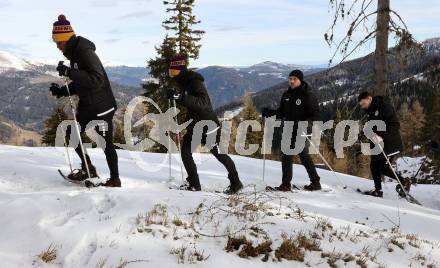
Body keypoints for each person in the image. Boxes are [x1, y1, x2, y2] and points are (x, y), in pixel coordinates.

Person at [49, 15, 120, 187]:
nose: (57, 46)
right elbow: (83, 82)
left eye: (58, 42)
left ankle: (114, 179)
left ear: (65, 39)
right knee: (72, 133)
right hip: (90, 105)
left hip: (101, 107)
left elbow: (96, 80)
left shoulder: (85, 53)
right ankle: (88, 169)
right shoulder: (75, 54)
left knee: (105, 143)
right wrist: (62, 91)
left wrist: (69, 72)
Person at [167, 55, 243, 194]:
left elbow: (203, 103)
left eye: (174, 71)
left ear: (181, 70)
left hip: (208, 126)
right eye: (170, 71)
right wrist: (177, 97)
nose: (172, 74)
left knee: (220, 155)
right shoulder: (184, 82)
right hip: (196, 125)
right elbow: (190, 103)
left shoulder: (194, 82)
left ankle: (236, 183)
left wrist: (181, 97)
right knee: (185, 152)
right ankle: (194, 184)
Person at [262, 70, 322, 192]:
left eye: (294, 79)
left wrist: (305, 125)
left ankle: (315, 182)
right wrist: (269, 112)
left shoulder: (307, 94)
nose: (292, 81)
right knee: (286, 155)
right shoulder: (286, 95)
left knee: (302, 154)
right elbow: (281, 112)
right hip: (289, 128)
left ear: (300, 80)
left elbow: (316, 114)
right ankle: (286, 184)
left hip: (302, 128)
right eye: (290, 79)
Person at [358, 91, 411, 197]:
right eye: (361, 105)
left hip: (390, 143)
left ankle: (404, 181)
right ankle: (378, 190)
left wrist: (382, 136)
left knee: (382, 167)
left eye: (363, 103)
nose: (363, 106)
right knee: (374, 166)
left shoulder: (385, 107)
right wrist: (362, 134)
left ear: (369, 98)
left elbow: (395, 125)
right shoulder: (370, 110)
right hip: (378, 144)